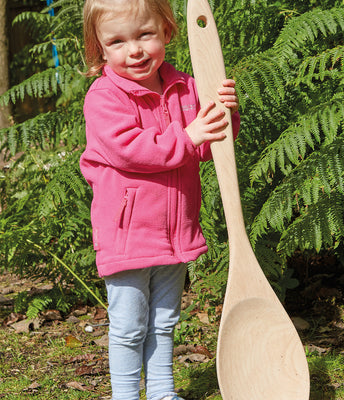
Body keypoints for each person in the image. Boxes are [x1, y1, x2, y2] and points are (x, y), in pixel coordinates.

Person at [80, 0, 240, 399]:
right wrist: (189, 136)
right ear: (99, 47)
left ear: (166, 32)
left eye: (144, 35)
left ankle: (163, 393)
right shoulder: (104, 97)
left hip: (175, 232)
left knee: (165, 321)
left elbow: (210, 148)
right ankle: (126, 395)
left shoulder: (185, 87)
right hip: (127, 235)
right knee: (130, 325)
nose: (133, 50)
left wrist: (225, 114)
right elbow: (130, 150)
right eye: (117, 41)